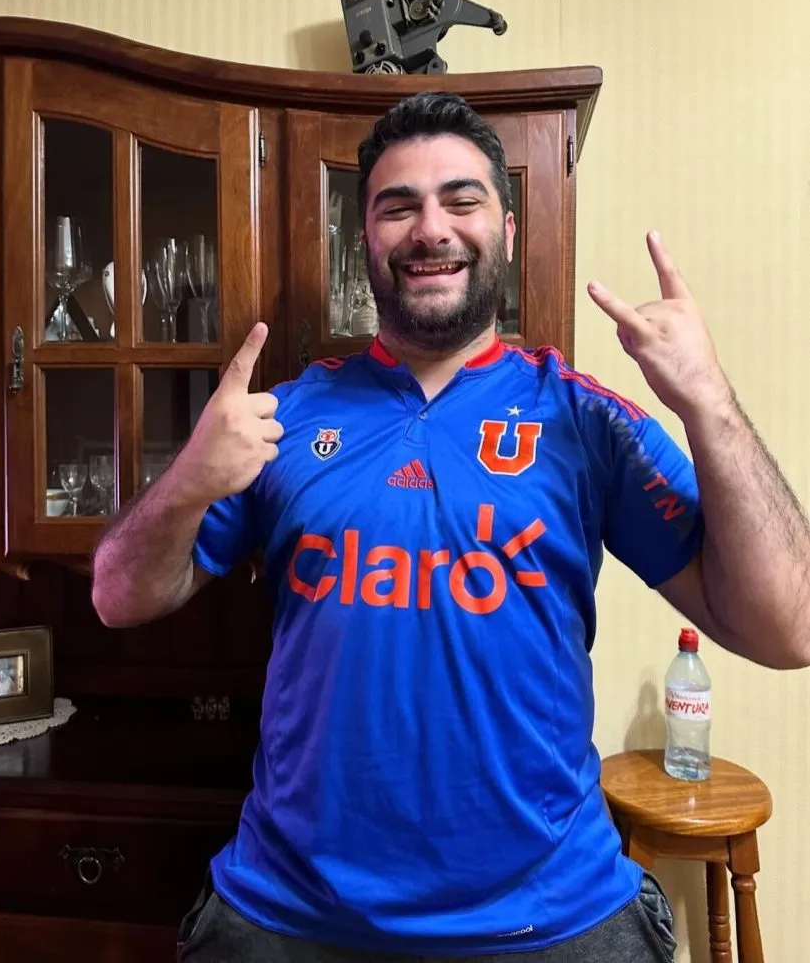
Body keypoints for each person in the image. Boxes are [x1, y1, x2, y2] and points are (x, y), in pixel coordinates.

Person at [92, 92, 810, 963]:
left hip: (553, 921)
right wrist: (188, 481)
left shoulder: (585, 419)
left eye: (460, 200)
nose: (430, 228)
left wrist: (709, 401)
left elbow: (788, 627)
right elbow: (117, 596)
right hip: (287, 919)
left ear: (505, 228)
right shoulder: (279, 417)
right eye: (398, 206)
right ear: (365, 241)